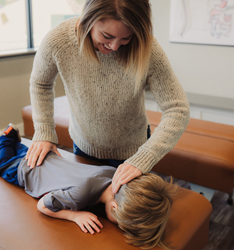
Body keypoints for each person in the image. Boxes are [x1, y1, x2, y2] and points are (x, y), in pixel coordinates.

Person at [27, 0, 190, 193]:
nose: (114, 46)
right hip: (84, 145)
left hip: (133, 152)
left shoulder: (148, 48)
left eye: (125, 38)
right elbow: (41, 83)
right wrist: (44, 132)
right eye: (107, 36)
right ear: (89, 19)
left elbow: (177, 109)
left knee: (125, 216)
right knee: (86, 205)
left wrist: (144, 158)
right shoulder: (58, 41)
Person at [0, 124, 176, 250]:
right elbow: (43, 205)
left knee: (21, 149)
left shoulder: (114, 173)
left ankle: (12, 138)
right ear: (114, 207)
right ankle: (5, 139)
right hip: (24, 170)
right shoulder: (78, 197)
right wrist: (74, 216)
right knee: (4, 162)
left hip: (44, 156)